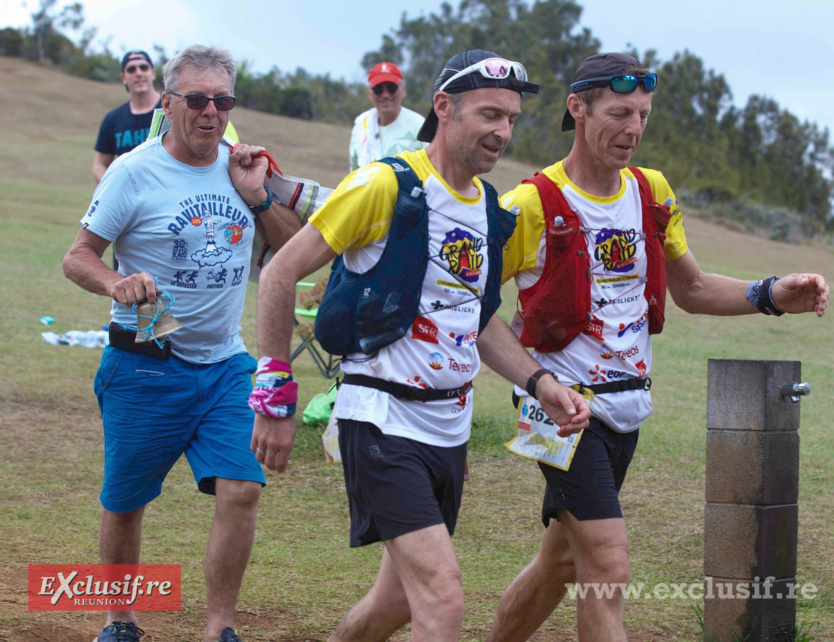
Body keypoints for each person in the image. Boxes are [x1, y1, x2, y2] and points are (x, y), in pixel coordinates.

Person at [487, 53, 830, 642]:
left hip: (628, 408)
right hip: (559, 412)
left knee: (562, 562)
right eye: (620, 113)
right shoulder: (530, 205)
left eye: (643, 115)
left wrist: (771, 292)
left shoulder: (651, 191)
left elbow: (692, 288)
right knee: (608, 568)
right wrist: (536, 381)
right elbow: (476, 306)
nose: (634, 129)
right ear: (578, 108)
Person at [250, 49, 591, 641]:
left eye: (510, 118)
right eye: (489, 114)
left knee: (395, 604)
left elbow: (478, 322)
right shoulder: (384, 184)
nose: (502, 132)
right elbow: (282, 271)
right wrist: (274, 391)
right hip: (381, 419)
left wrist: (541, 383)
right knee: (443, 598)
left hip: (449, 430)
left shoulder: (488, 207)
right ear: (444, 108)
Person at [64, 44, 302, 642]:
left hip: (225, 362)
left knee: (243, 487)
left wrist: (258, 196)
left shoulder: (243, 163)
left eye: (222, 101)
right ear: (167, 103)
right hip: (147, 357)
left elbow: (292, 251)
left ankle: (218, 627)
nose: (210, 113)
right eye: (196, 100)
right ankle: (120, 620)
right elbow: (77, 258)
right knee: (125, 501)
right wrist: (119, 283)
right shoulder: (134, 171)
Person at [348, 61, 427, 172]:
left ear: (403, 89)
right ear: (369, 92)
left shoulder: (420, 126)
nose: (385, 95)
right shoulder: (361, 126)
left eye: (391, 88)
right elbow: (353, 175)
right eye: (378, 89)